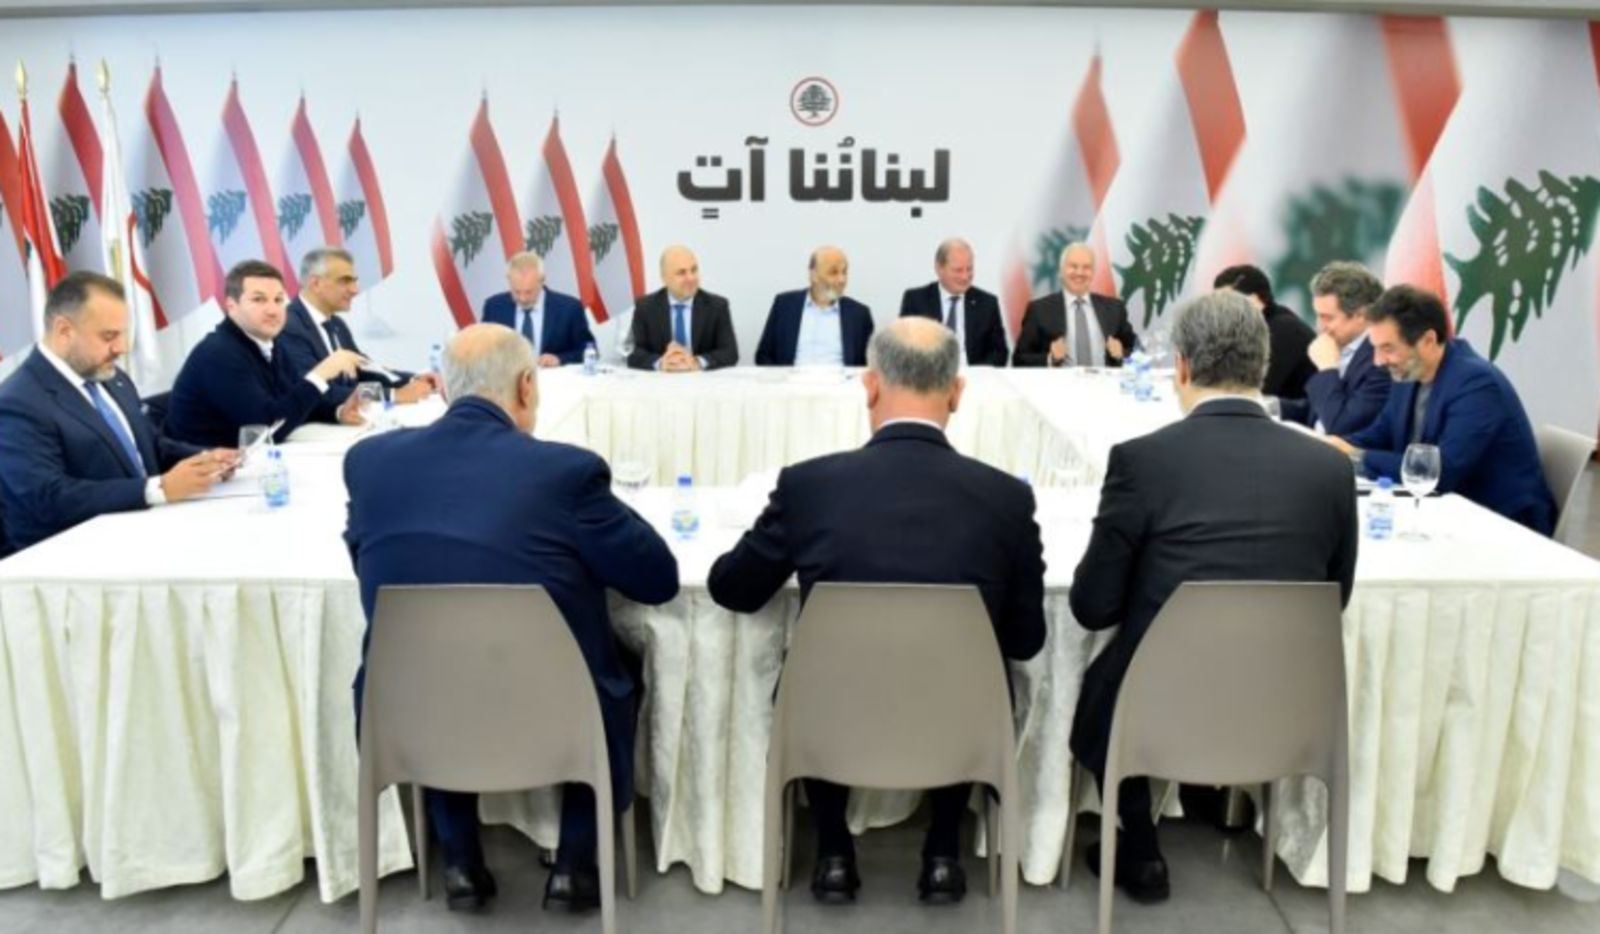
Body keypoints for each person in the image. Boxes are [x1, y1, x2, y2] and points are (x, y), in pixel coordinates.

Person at [708, 317, 1046, 906]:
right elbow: (1025, 640)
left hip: (828, 714)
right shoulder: (1007, 500)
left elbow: (734, 589)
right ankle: (943, 853)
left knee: (817, 677)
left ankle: (834, 852)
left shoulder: (810, 487)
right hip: (962, 715)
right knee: (971, 677)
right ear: (957, 392)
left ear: (870, 386)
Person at [344, 324, 679, 912]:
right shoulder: (565, 473)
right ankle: (575, 865)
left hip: (404, 706)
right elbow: (656, 579)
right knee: (620, 661)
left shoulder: (369, 462)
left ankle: (460, 862)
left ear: (444, 387)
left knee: (433, 667)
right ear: (527, 386)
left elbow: (362, 556)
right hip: (553, 705)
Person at [1069, 289, 1358, 904]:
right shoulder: (1330, 470)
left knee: (1102, 680)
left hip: (1157, 703)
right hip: (1286, 700)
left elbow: (1092, 606)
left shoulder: (1142, 461)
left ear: (1180, 366)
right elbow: (1335, 596)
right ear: (1263, 366)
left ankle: (1140, 843)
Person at [0, 272, 238, 553]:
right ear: (64, 330)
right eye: (109, 336)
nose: (122, 348)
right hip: (75, 554)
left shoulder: (112, 377)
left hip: (146, 532)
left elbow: (149, 446)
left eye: (123, 334)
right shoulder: (17, 402)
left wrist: (204, 459)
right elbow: (48, 498)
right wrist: (157, 488)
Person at [1327, 285, 1555, 534]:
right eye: (1375, 348)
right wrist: (1331, 448)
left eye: (1388, 348)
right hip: (1445, 516)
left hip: (1504, 527)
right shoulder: (1409, 372)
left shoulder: (1477, 384)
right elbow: (1381, 433)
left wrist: (1358, 457)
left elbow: (1441, 472)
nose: (1378, 361)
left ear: (1428, 340)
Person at [165, 260, 365, 447]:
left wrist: (337, 412)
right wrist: (321, 374)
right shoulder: (218, 353)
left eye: (278, 300)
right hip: (206, 466)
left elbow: (293, 402)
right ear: (231, 306)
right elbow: (266, 429)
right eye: (259, 299)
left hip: (247, 459)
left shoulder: (271, 343)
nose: (273, 310)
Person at [279, 246, 438, 406]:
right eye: (345, 281)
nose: (355, 290)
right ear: (315, 284)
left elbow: (364, 369)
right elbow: (317, 392)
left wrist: (411, 379)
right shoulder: (287, 327)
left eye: (355, 281)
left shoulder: (337, 324)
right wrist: (391, 395)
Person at [1275, 261, 1391, 435]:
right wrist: (1269, 405)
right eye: (1318, 316)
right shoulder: (1342, 345)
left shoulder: (1382, 360)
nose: (1319, 326)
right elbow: (1319, 411)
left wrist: (1327, 368)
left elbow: (1340, 425)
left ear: (1361, 315)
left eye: (1327, 318)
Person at [1012, 242, 1137, 368]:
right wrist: (1051, 358)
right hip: (1060, 380)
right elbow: (1019, 359)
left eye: (1086, 267)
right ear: (1061, 271)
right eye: (1073, 266)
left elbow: (1138, 352)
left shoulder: (1115, 309)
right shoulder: (1039, 310)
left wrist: (1121, 354)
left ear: (1093, 272)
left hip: (1105, 379)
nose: (1079, 272)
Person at [754, 246, 874, 366]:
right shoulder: (784, 306)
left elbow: (872, 364)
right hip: (792, 377)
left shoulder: (859, 315)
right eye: (833, 272)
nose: (842, 280)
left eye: (844, 272)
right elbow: (763, 355)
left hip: (840, 377)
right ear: (814, 275)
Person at [626, 245, 739, 371]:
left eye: (694, 270)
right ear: (664, 278)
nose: (691, 278)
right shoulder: (645, 307)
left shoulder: (717, 306)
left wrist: (696, 362)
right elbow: (633, 352)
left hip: (702, 379)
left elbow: (730, 352)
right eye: (681, 273)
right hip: (661, 379)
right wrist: (661, 363)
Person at [899, 238, 1008, 367]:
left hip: (974, 374)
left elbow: (999, 352)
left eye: (969, 269)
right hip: (929, 374)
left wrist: (978, 373)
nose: (965, 276)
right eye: (958, 270)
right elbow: (904, 348)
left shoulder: (987, 303)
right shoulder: (916, 300)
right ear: (939, 268)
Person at [1213, 264, 1317, 399]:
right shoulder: (1259, 329)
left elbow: (1253, 392)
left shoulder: (1283, 331)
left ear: (1256, 300)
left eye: (1228, 302)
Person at [480, 251, 596, 366]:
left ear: (542, 281)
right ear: (509, 281)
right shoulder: (493, 308)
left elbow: (589, 350)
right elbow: (481, 351)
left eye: (529, 292)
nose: (523, 299)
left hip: (552, 377)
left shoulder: (569, 309)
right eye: (516, 292)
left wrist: (559, 359)